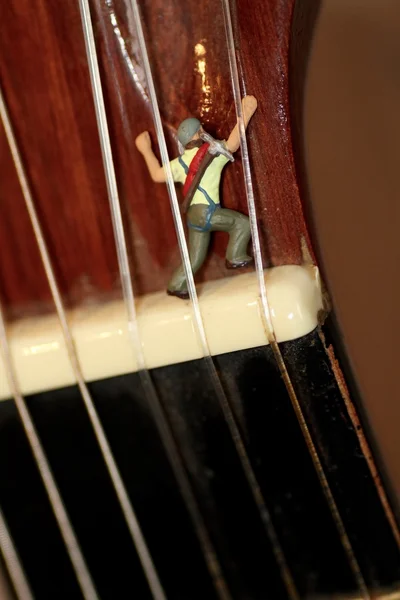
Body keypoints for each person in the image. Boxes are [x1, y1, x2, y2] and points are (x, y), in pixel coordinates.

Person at [135, 95, 258, 299]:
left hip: (193, 215)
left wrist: (145, 150)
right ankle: (235, 256)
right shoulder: (212, 151)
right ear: (198, 134)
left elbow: (156, 175)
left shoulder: (180, 163)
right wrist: (245, 113)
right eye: (201, 129)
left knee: (194, 258)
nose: (204, 131)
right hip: (208, 213)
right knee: (242, 224)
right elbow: (233, 144)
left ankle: (177, 284)